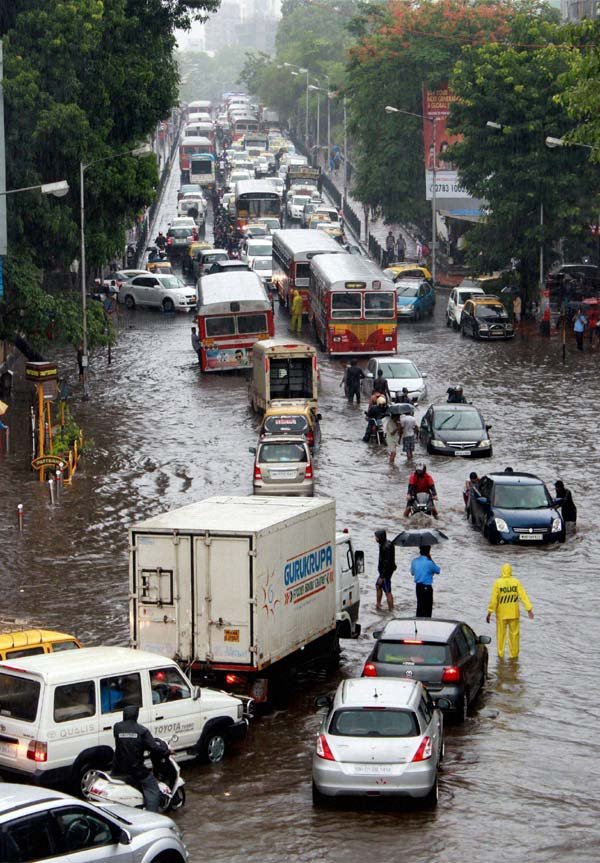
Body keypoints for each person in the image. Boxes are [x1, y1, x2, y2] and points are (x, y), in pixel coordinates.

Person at [112, 705, 169, 812]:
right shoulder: (142, 731)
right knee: (152, 788)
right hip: (136, 771)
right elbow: (154, 747)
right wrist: (167, 751)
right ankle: (152, 815)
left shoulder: (117, 727)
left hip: (118, 769)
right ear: (136, 716)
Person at [486, 564, 534, 660]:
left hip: (501, 615)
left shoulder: (498, 583)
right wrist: (529, 609)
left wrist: (489, 612)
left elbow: (494, 600)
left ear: (502, 571)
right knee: (514, 636)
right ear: (511, 571)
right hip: (514, 614)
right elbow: (523, 596)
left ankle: (500, 655)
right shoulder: (516, 582)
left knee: (501, 636)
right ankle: (514, 656)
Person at [410, 545, 441, 618]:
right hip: (427, 588)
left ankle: (418, 622)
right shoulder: (429, 563)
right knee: (427, 609)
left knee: (420, 606)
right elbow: (438, 570)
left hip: (418, 587)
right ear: (428, 551)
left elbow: (412, 573)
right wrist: (431, 559)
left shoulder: (414, 561)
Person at [374, 529, 396, 611]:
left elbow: (386, 562)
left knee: (387, 591)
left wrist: (382, 576)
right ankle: (378, 604)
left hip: (386, 573)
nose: (375, 539)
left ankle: (391, 608)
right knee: (378, 586)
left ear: (380, 537)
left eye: (376, 537)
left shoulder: (385, 547)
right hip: (385, 571)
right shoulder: (386, 544)